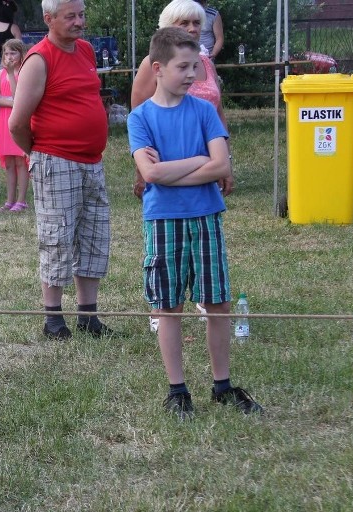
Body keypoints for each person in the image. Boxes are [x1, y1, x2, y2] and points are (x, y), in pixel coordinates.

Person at [127, 27, 263, 420]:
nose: (192, 75)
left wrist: (169, 168)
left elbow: (221, 165)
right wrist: (196, 163)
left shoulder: (204, 112)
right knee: (169, 306)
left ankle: (222, 385)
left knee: (217, 301)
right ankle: (178, 390)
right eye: (183, 67)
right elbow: (148, 176)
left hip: (206, 217)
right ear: (158, 68)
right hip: (163, 221)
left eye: (196, 67)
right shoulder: (140, 118)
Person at [9, 0, 116, 340]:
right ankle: (53, 318)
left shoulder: (85, 51)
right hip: (56, 161)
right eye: (71, 16)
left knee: (94, 237)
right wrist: (40, 154)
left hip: (91, 161)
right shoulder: (39, 60)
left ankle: (88, 315)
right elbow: (16, 123)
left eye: (82, 15)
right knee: (57, 239)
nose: (79, 22)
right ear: (49, 19)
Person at [131, 0, 234, 333]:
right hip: (171, 172)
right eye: (184, 22)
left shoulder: (203, 62)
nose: (192, 28)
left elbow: (216, 108)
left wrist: (222, 162)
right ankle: (163, 309)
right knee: (168, 279)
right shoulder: (155, 63)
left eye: (196, 22)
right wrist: (198, 163)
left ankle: (204, 300)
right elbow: (142, 114)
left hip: (207, 160)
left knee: (210, 272)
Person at [0, 39, 28, 212]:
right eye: (6, 53)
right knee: (9, 162)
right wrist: (12, 103)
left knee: (21, 160)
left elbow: (18, 95)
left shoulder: (24, 72)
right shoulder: (0, 74)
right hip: (4, 119)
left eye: (13, 53)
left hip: (19, 119)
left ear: (21, 54)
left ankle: (21, 200)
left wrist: (12, 74)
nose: (9, 57)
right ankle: (9, 199)